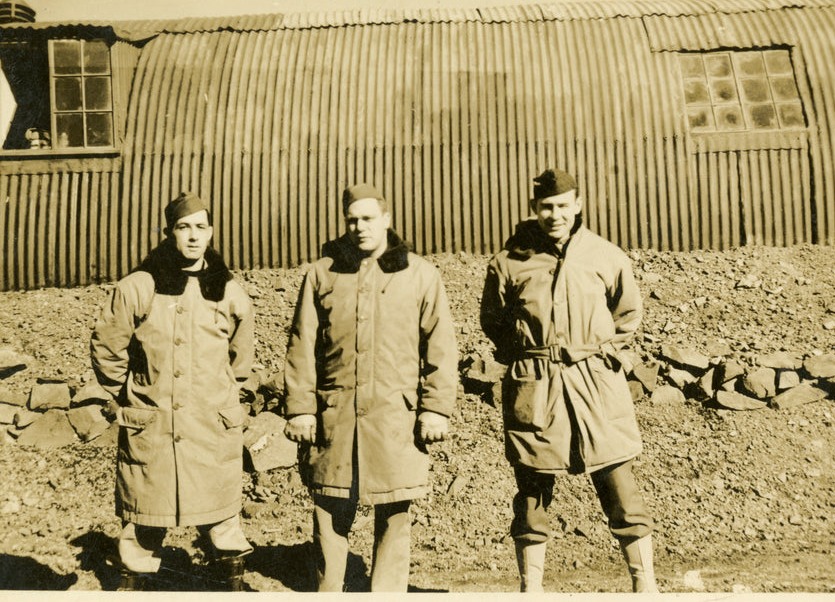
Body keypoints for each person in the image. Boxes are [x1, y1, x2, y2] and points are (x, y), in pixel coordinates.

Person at [480, 168, 659, 593]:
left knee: (620, 486)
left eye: (563, 205)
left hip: (596, 385)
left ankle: (645, 585)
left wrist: (603, 356)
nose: (554, 214)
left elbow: (627, 315)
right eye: (546, 207)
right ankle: (532, 588)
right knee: (532, 492)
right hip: (536, 386)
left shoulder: (605, 255)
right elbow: (495, 322)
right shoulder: (508, 263)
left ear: (578, 205)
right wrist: (528, 358)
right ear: (533, 209)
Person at [283, 184, 457, 592]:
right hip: (335, 414)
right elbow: (302, 344)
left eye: (367, 219)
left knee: (394, 511)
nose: (359, 228)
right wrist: (301, 408)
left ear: (386, 219)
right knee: (329, 507)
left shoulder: (420, 274)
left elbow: (441, 346)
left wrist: (435, 408)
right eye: (352, 220)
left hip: (395, 415)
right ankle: (329, 591)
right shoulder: (321, 274)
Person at [90, 192, 254, 591]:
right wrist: (130, 394)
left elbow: (241, 360)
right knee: (145, 512)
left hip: (210, 425)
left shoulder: (228, 290)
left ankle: (227, 582)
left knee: (223, 518)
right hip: (154, 426)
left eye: (201, 227)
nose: (193, 237)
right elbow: (107, 347)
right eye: (184, 228)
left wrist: (222, 400)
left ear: (211, 233)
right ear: (169, 234)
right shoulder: (139, 286)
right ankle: (137, 578)